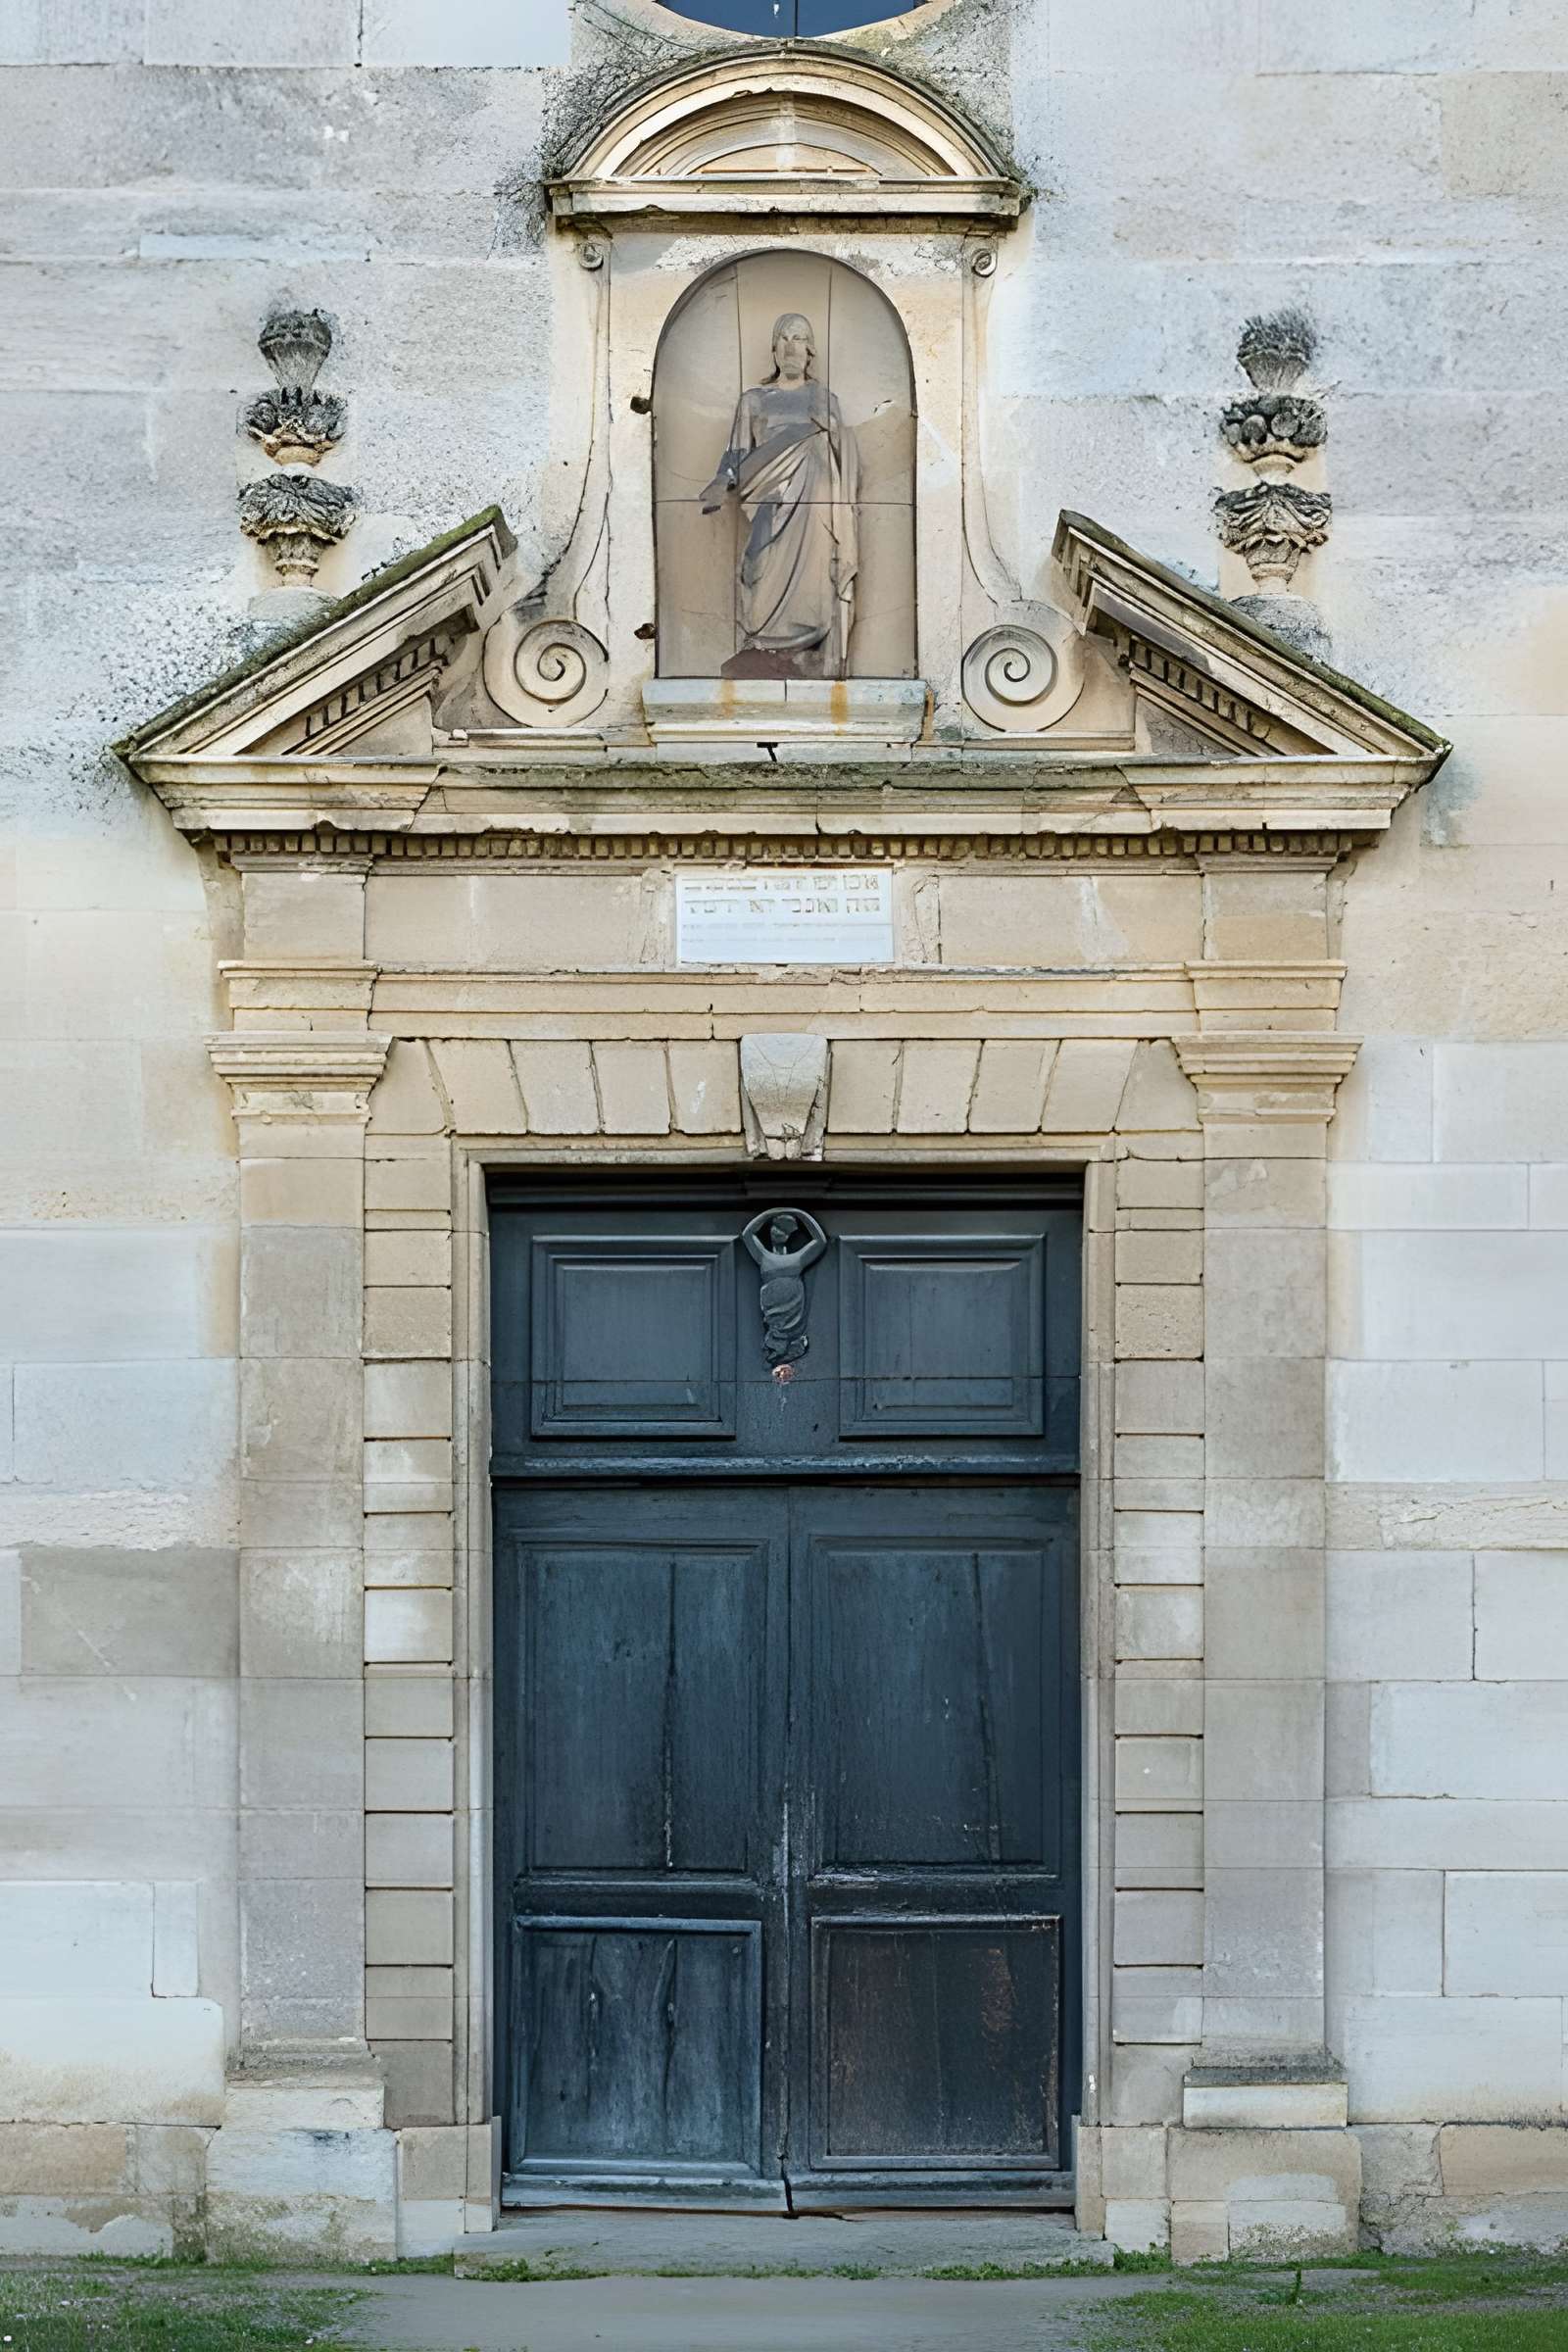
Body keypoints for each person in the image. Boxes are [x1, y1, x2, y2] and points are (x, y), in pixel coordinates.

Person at [701, 313, 859, 677]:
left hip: (815, 506)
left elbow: (846, 458)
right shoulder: (754, 400)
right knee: (756, 565)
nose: (791, 346)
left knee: (817, 575)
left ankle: (807, 649)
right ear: (774, 349)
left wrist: (831, 429)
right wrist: (720, 482)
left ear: (810, 350)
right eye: (784, 338)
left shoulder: (824, 399)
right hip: (769, 501)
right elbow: (736, 452)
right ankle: (761, 641)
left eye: (799, 338)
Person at [741, 1207, 828, 1367]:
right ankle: (778, 1348)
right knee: (777, 1331)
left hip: (793, 1309)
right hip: (773, 1310)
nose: (778, 1233)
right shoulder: (764, 1257)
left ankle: (790, 1347)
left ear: (789, 1236)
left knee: (791, 1332)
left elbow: (820, 1241)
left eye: (783, 1230)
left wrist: (801, 1215)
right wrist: (770, 1214)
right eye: (775, 1227)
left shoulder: (797, 1259)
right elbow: (747, 1234)